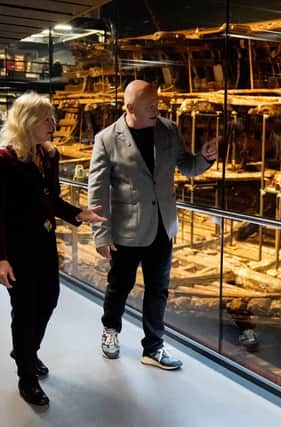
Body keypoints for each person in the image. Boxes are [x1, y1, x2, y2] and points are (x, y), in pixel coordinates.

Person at [0, 92, 105, 406]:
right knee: (25, 310)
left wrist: (78, 213)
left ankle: (25, 350)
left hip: (45, 244)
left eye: (53, 117)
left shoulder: (49, 155)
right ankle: (27, 375)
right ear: (26, 122)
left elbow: (50, 199)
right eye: (46, 119)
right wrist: (0, 258)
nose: (54, 124)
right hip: (17, 248)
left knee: (48, 300)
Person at [88, 80, 217, 370]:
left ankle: (154, 347)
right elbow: (97, 192)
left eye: (158, 104)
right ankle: (111, 330)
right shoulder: (107, 139)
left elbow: (186, 165)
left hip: (163, 227)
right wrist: (101, 234)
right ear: (130, 107)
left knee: (158, 290)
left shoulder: (168, 130)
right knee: (119, 286)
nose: (156, 110)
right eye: (150, 106)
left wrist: (205, 159)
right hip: (127, 231)